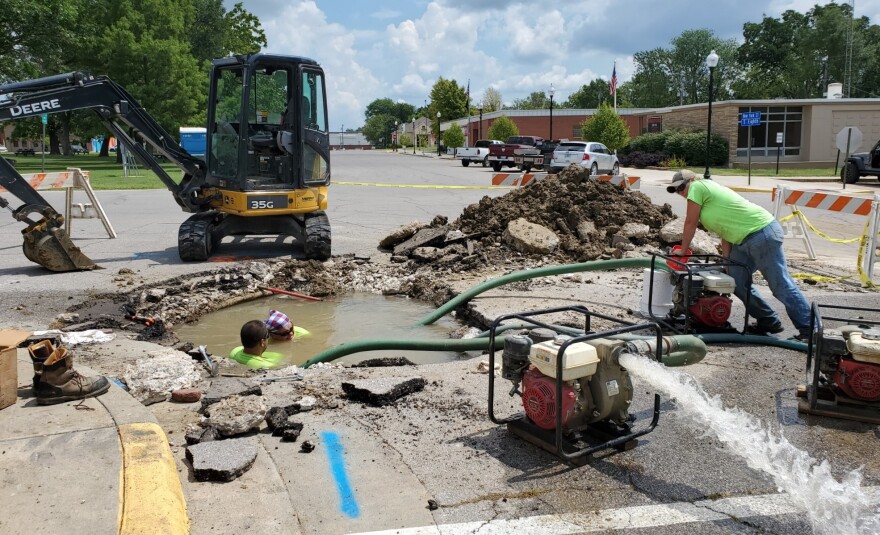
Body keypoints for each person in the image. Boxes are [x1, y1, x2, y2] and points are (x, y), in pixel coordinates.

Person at [667, 169, 811, 340]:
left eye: (681, 187)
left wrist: (683, 251)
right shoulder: (704, 195)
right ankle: (769, 321)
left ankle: (810, 329)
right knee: (736, 282)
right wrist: (727, 262)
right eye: (676, 190)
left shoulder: (698, 186)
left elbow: (690, 223)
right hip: (742, 241)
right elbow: (724, 232)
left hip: (761, 233)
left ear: (691, 180)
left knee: (780, 285)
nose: (680, 192)